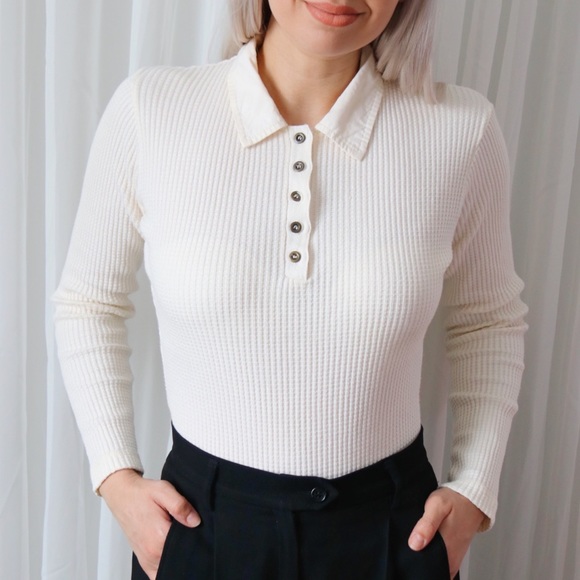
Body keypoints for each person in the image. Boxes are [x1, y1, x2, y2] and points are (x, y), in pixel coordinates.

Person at [53, 0, 528, 578]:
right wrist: (116, 477)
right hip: (202, 527)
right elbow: (89, 302)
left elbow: (488, 321)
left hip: (391, 531)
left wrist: (475, 487)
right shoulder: (151, 109)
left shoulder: (461, 130)